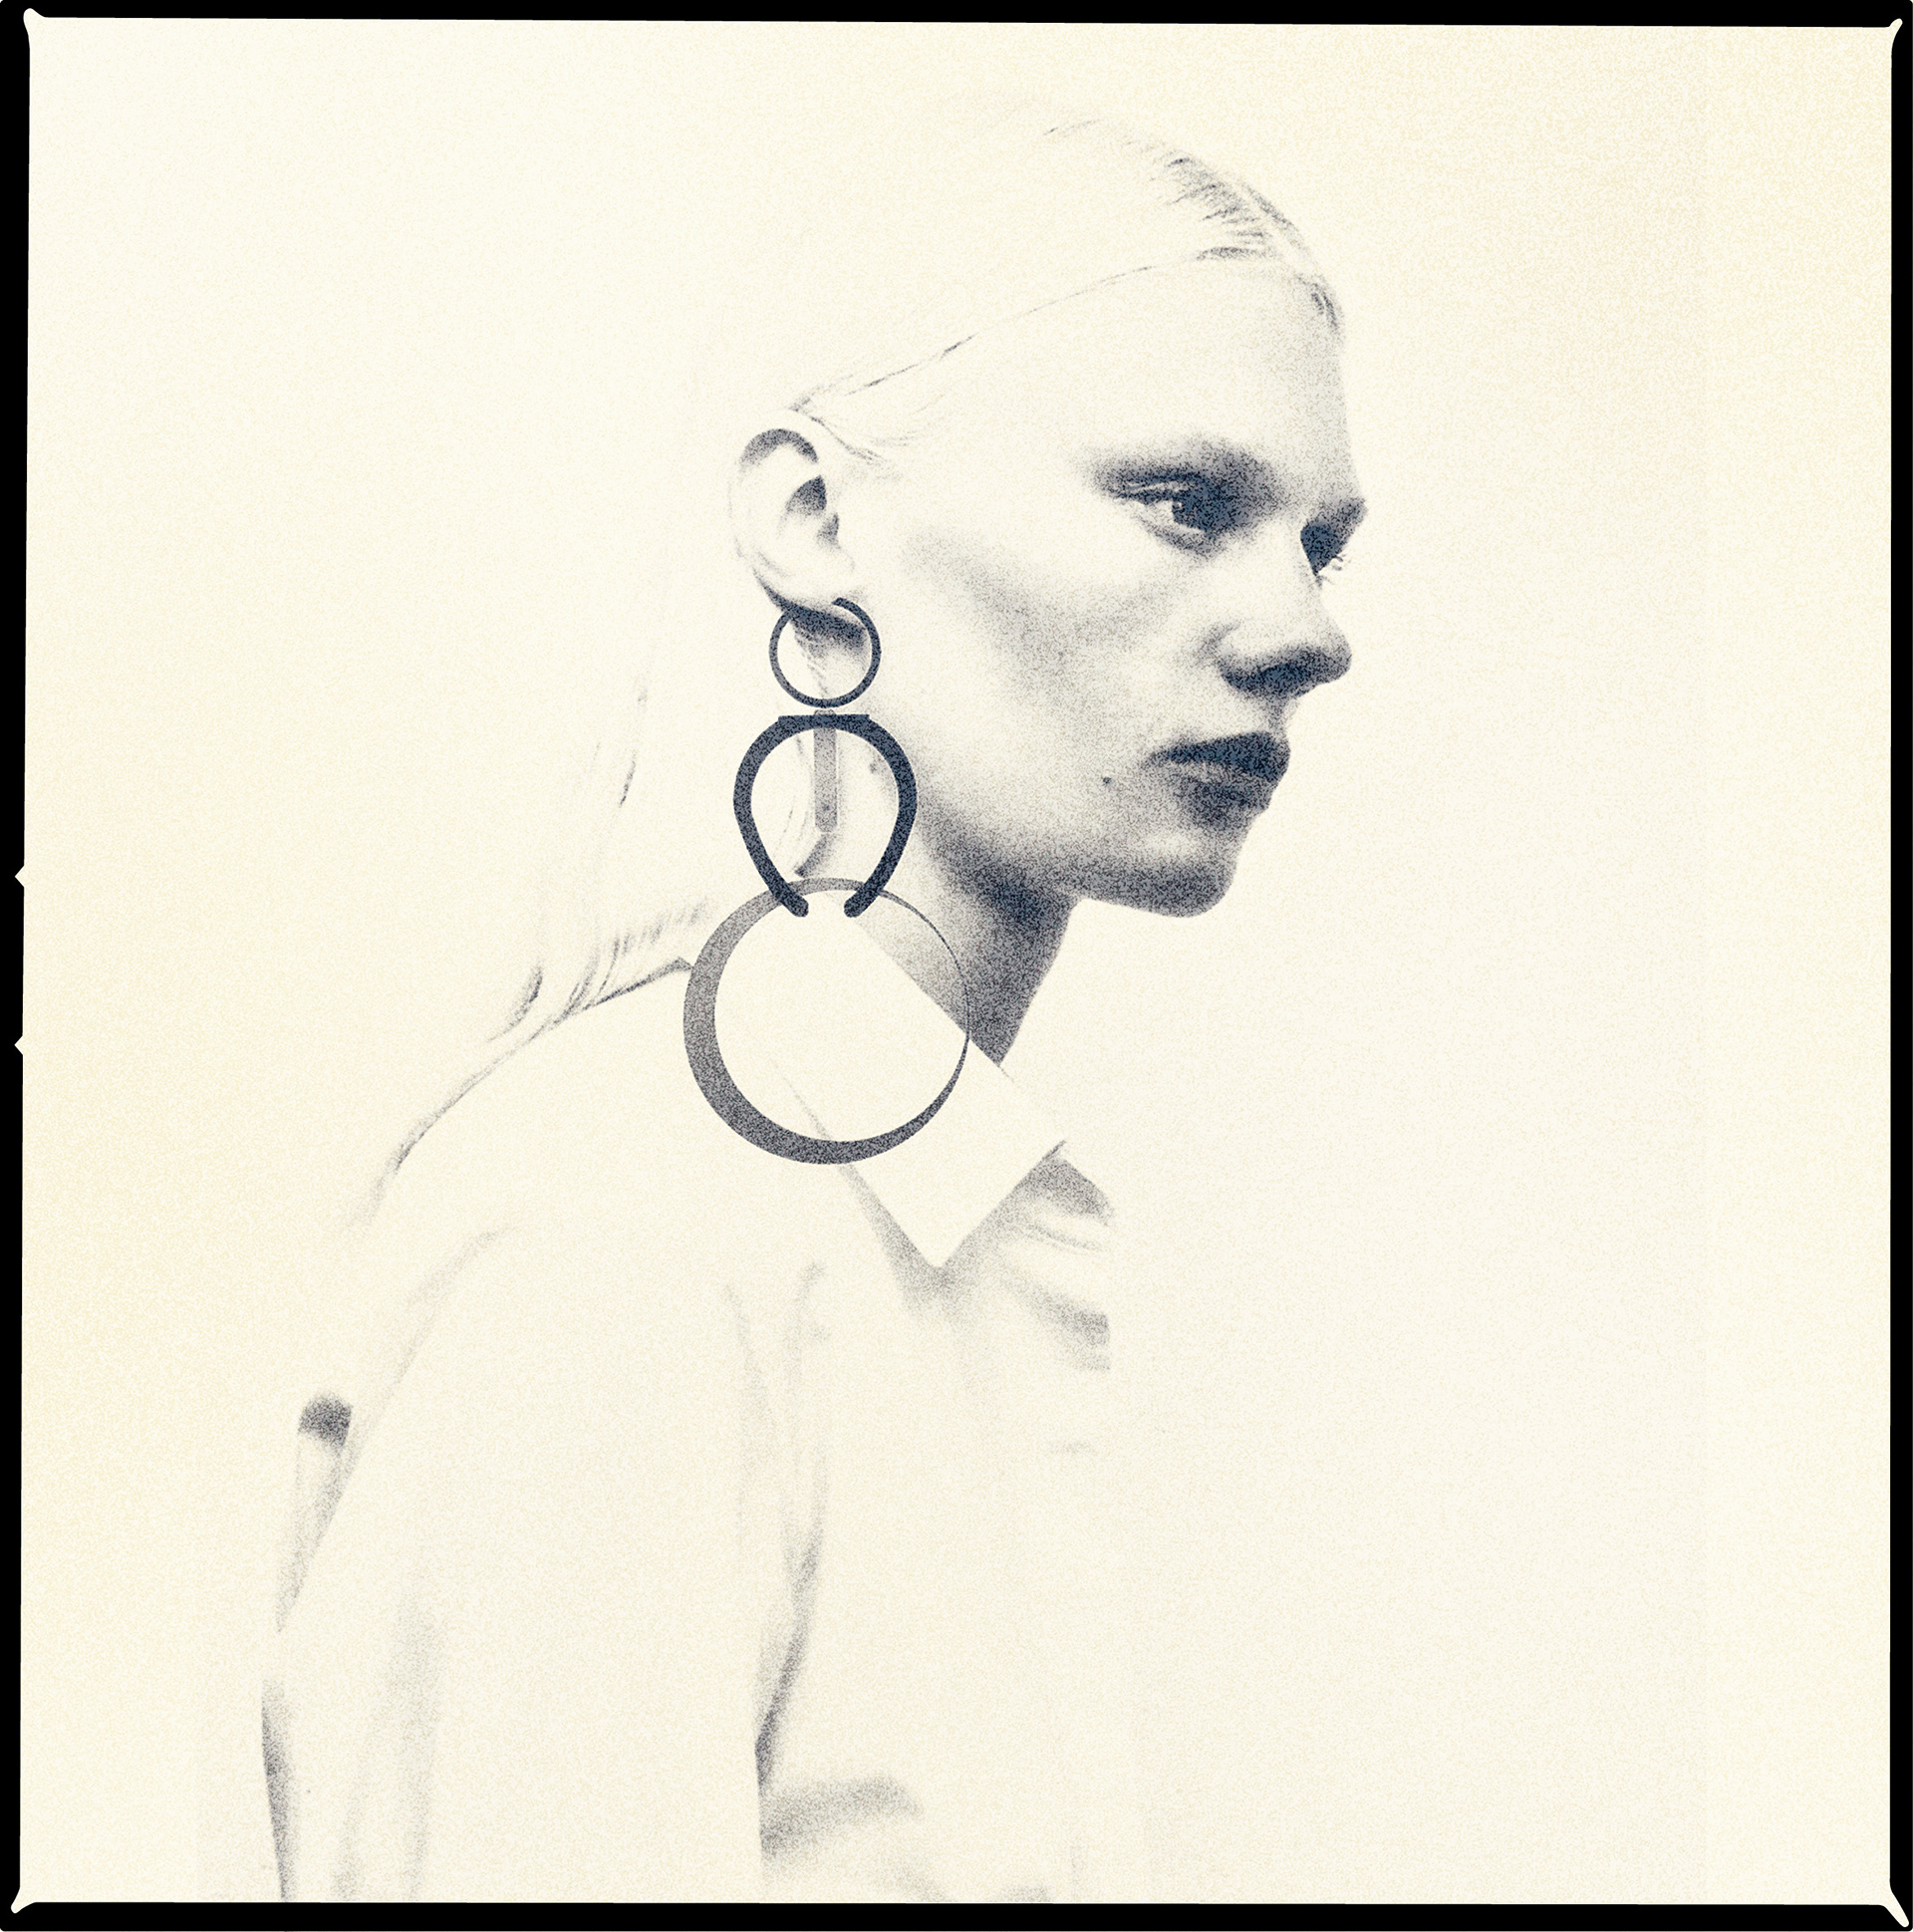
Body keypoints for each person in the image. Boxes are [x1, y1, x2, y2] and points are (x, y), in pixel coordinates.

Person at [261, 100, 1363, 1903]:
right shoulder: (630, 1227)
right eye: (1187, 504)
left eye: (1324, 543)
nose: (1308, 630)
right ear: (814, 518)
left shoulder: (924, 1217)